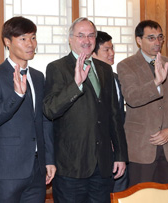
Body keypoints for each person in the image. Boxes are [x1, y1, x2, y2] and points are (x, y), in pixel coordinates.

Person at [43, 17, 128, 203]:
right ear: (70, 39)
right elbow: (50, 110)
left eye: (91, 35)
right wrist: (76, 84)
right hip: (71, 166)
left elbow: (114, 115)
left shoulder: (105, 69)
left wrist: (120, 155)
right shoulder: (57, 68)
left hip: (103, 164)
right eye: (80, 35)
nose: (86, 40)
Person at [0, 16, 55, 202]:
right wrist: (17, 96)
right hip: (8, 170)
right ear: (7, 42)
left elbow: (44, 120)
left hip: (37, 168)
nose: (31, 44)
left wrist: (49, 159)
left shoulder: (37, 76)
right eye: (23, 39)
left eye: (33, 37)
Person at [117, 20, 168, 186]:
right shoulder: (126, 65)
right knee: (141, 196)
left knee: (167, 195)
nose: (157, 42)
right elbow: (132, 98)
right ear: (139, 40)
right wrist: (156, 82)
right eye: (151, 38)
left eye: (160, 37)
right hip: (141, 146)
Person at [92, 30, 129, 192]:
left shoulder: (115, 77)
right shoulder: (83, 79)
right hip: (96, 154)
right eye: (106, 49)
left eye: (112, 48)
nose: (112, 53)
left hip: (118, 152)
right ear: (92, 53)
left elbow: (119, 115)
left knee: (120, 193)